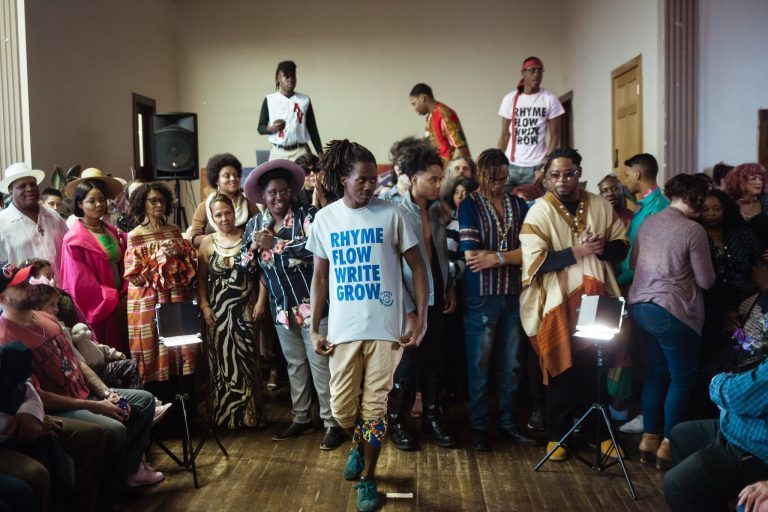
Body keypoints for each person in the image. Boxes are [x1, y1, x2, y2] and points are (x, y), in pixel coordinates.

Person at [306, 139, 428, 512]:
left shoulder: (392, 214)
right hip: (343, 331)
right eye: (361, 179)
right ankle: (357, 444)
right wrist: (315, 327)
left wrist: (420, 316)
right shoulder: (326, 219)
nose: (368, 185)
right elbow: (320, 279)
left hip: (384, 331)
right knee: (343, 411)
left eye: (373, 179)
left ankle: (368, 479)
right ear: (343, 179)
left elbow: (418, 267)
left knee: (375, 409)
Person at [0, 262, 163, 493]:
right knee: (113, 429)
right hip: (62, 408)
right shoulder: (6, 338)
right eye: (20, 286)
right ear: (3, 299)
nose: (30, 287)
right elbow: (38, 396)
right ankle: (110, 490)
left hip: (86, 395)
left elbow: (76, 361)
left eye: (27, 281)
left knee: (142, 402)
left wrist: (107, 393)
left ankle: (127, 473)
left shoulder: (45, 317)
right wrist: (96, 406)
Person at [519, 148, 628, 461]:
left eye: (569, 174)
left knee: (599, 363)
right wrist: (577, 252)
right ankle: (558, 434)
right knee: (561, 367)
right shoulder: (540, 210)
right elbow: (534, 261)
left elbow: (621, 246)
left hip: (600, 293)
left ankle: (600, 432)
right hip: (557, 299)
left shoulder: (599, 204)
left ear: (579, 173)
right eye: (555, 175)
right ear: (547, 176)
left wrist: (602, 248)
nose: (562, 180)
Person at [241, 159, 342, 449]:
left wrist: (275, 246)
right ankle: (301, 417)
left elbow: (317, 248)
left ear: (291, 192)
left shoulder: (307, 217)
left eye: (284, 191)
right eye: (272, 192)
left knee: (321, 365)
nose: (278, 197)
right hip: (281, 310)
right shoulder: (253, 226)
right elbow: (244, 266)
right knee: (295, 366)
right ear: (263, 195)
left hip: (314, 307)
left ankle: (331, 421)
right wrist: (253, 247)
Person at [629, 174, 716, 470]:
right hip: (674, 310)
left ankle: (648, 439)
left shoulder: (651, 221)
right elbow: (706, 280)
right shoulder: (693, 230)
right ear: (694, 199)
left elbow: (632, 264)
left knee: (655, 373)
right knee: (682, 378)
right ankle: (669, 445)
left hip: (640, 307)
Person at [458, 148, 536, 451]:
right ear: (482, 176)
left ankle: (508, 423)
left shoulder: (519, 205)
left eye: (504, 178)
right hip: (481, 297)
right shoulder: (469, 205)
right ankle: (478, 426)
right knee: (480, 365)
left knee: (512, 364)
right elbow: (473, 256)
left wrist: (498, 257)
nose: (499, 185)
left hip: (514, 295)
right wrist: (511, 257)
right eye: (493, 179)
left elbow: (531, 251)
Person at [385, 142, 457, 450]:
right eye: (433, 178)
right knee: (405, 367)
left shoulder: (438, 211)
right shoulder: (395, 213)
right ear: (414, 179)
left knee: (434, 364)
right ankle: (397, 423)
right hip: (409, 304)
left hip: (438, 298)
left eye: (441, 178)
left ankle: (431, 419)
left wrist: (450, 286)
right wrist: (409, 309)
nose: (439, 184)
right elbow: (390, 269)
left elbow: (441, 256)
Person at [663, 358, 768, 511]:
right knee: (681, 435)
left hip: (756, 450)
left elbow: (735, 395)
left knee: (676, 485)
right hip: (744, 428)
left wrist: (717, 381)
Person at [197, 194, 265, 429]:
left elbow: (262, 273)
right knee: (221, 363)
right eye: (218, 214)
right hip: (217, 313)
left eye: (227, 212)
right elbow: (201, 281)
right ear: (212, 217)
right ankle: (225, 418)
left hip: (245, 309)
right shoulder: (206, 242)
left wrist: (260, 302)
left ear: (234, 211)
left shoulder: (248, 237)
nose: (224, 218)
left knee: (246, 361)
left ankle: (249, 417)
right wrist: (204, 306)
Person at [124, 183, 198, 384]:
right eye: (153, 200)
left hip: (175, 295)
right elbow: (134, 275)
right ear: (142, 204)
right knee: (153, 342)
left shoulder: (174, 230)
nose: (159, 204)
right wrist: (152, 264)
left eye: (162, 200)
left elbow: (189, 263)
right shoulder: (135, 235)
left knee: (179, 342)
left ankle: (181, 390)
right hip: (149, 299)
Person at [60, 178, 127, 353]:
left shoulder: (112, 231)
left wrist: (125, 293)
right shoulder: (74, 240)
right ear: (80, 204)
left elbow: (123, 263)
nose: (99, 204)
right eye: (91, 201)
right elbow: (80, 282)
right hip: (101, 305)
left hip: (121, 299)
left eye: (102, 200)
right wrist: (112, 299)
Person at [497, 57, 564, 187]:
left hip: (537, 166)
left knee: (537, 205)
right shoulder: (510, 98)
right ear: (523, 73)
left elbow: (555, 135)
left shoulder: (549, 99)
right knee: (506, 204)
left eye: (540, 71)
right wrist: (497, 162)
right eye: (532, 70)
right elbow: (505, 135)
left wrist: (546, 166)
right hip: (511, 165)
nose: (537, 74)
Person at [0, 163, 68, 278]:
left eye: (33, 184)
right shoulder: (2, 223)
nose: (29, 189)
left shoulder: (54, 216)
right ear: (11, 191)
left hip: (61, 291)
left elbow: (69, 252)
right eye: (22, 186)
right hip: (26, 293)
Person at [616, 153, 669, 287]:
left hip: (644, 283)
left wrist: (619, 282)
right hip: (630, 279)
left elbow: (649, 256)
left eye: (628, 175)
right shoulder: (644, 204)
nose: (626, 181)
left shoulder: (659, 207)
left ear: (637, 174)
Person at [190, 153, 259, 249]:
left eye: (236, 175)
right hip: (213, 257)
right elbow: (193, 239)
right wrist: (220, 239)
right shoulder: (204, 207)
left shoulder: (249, 204)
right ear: (216, 180)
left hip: (244, 257)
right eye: (227, 176)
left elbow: (260, 230)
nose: (233, 179)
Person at [258, 60, 323, 161]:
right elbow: (260, 128)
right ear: (278, 79)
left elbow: (312, 129)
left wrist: (320, 153)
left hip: (300, 151)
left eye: (293, 76)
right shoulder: (270, 100)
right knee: (277, 177)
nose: (290, 79)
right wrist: (271, 129)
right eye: (286, 76)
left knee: (303, 176)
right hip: (278, 152)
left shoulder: (304, 100)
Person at [409, 83, 470, 162]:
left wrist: (449, 172)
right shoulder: (431, 117)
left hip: (449, 171)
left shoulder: (444, 114)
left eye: (414, 104)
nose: (414, 108)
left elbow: (461, 148)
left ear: (422, 98)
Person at [723, 163, 768, 253]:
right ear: (740, 181)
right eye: (753, 178)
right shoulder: (729, 204)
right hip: (736, 257)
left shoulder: (766, 203)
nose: (759, 182)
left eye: (761, 179)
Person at [378, 137, 419, 205]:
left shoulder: (423, 195)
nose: (415, 174)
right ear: (397, 169)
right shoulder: (387, 195)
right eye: (410, 168)